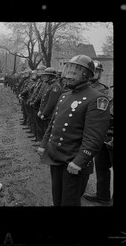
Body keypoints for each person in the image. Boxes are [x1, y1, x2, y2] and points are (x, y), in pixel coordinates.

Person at [37, 55, 111, 206]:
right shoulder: (64, 96)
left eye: (74, 73)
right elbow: (53, 124)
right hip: (56, 156)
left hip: (73, 162)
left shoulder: (96, 99)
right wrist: (44, 144)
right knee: (57, 199)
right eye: (67, 71)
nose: (68, 76)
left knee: (69, 203)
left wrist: (80, 161)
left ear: (86, 75)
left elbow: (94, 137)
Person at [37, 67, 62, 145]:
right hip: (46, 114)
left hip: (50, 115)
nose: (44, 77)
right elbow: (44, 99)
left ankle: (47, 148)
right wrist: (41, 111)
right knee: (45, 130)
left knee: (49, 133)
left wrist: (44, 113)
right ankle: (44, 146)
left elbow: (51, 103)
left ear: (51, 77)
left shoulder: (55, 86)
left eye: (46, 76)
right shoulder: (49, 85)